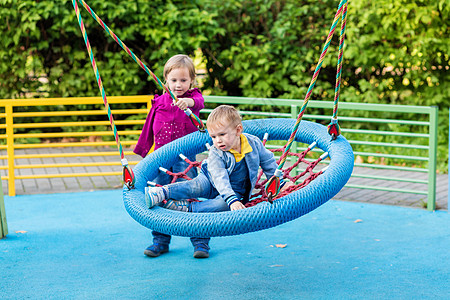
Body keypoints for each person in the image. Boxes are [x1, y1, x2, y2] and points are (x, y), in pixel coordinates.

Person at [145, 105, 283, 258]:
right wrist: (232, 200)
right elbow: (219, 177)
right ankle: (162, 192)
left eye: (222, 134)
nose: (218, 141)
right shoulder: (217, 152)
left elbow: (268, 162)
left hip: (236, 190)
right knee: (194, 187)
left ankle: (187, 209)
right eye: (213, 137)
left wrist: (277, 182)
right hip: (210, 180)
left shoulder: (254, 143)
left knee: (221, 205)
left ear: (238, 130)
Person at [133, 54, 205, 259]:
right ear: (166, 80)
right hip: (161, 159)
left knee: (191, 195)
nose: (178, 85)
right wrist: (144, 150)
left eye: (183, 80)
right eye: (174, 80)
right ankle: (160, 240)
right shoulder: (160, 102)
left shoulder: (193, 99)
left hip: (186, 160)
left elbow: (199, 101)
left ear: (191, 80)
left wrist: (189, 102)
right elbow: (149, 126)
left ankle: (200, 241)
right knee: (157, 196)